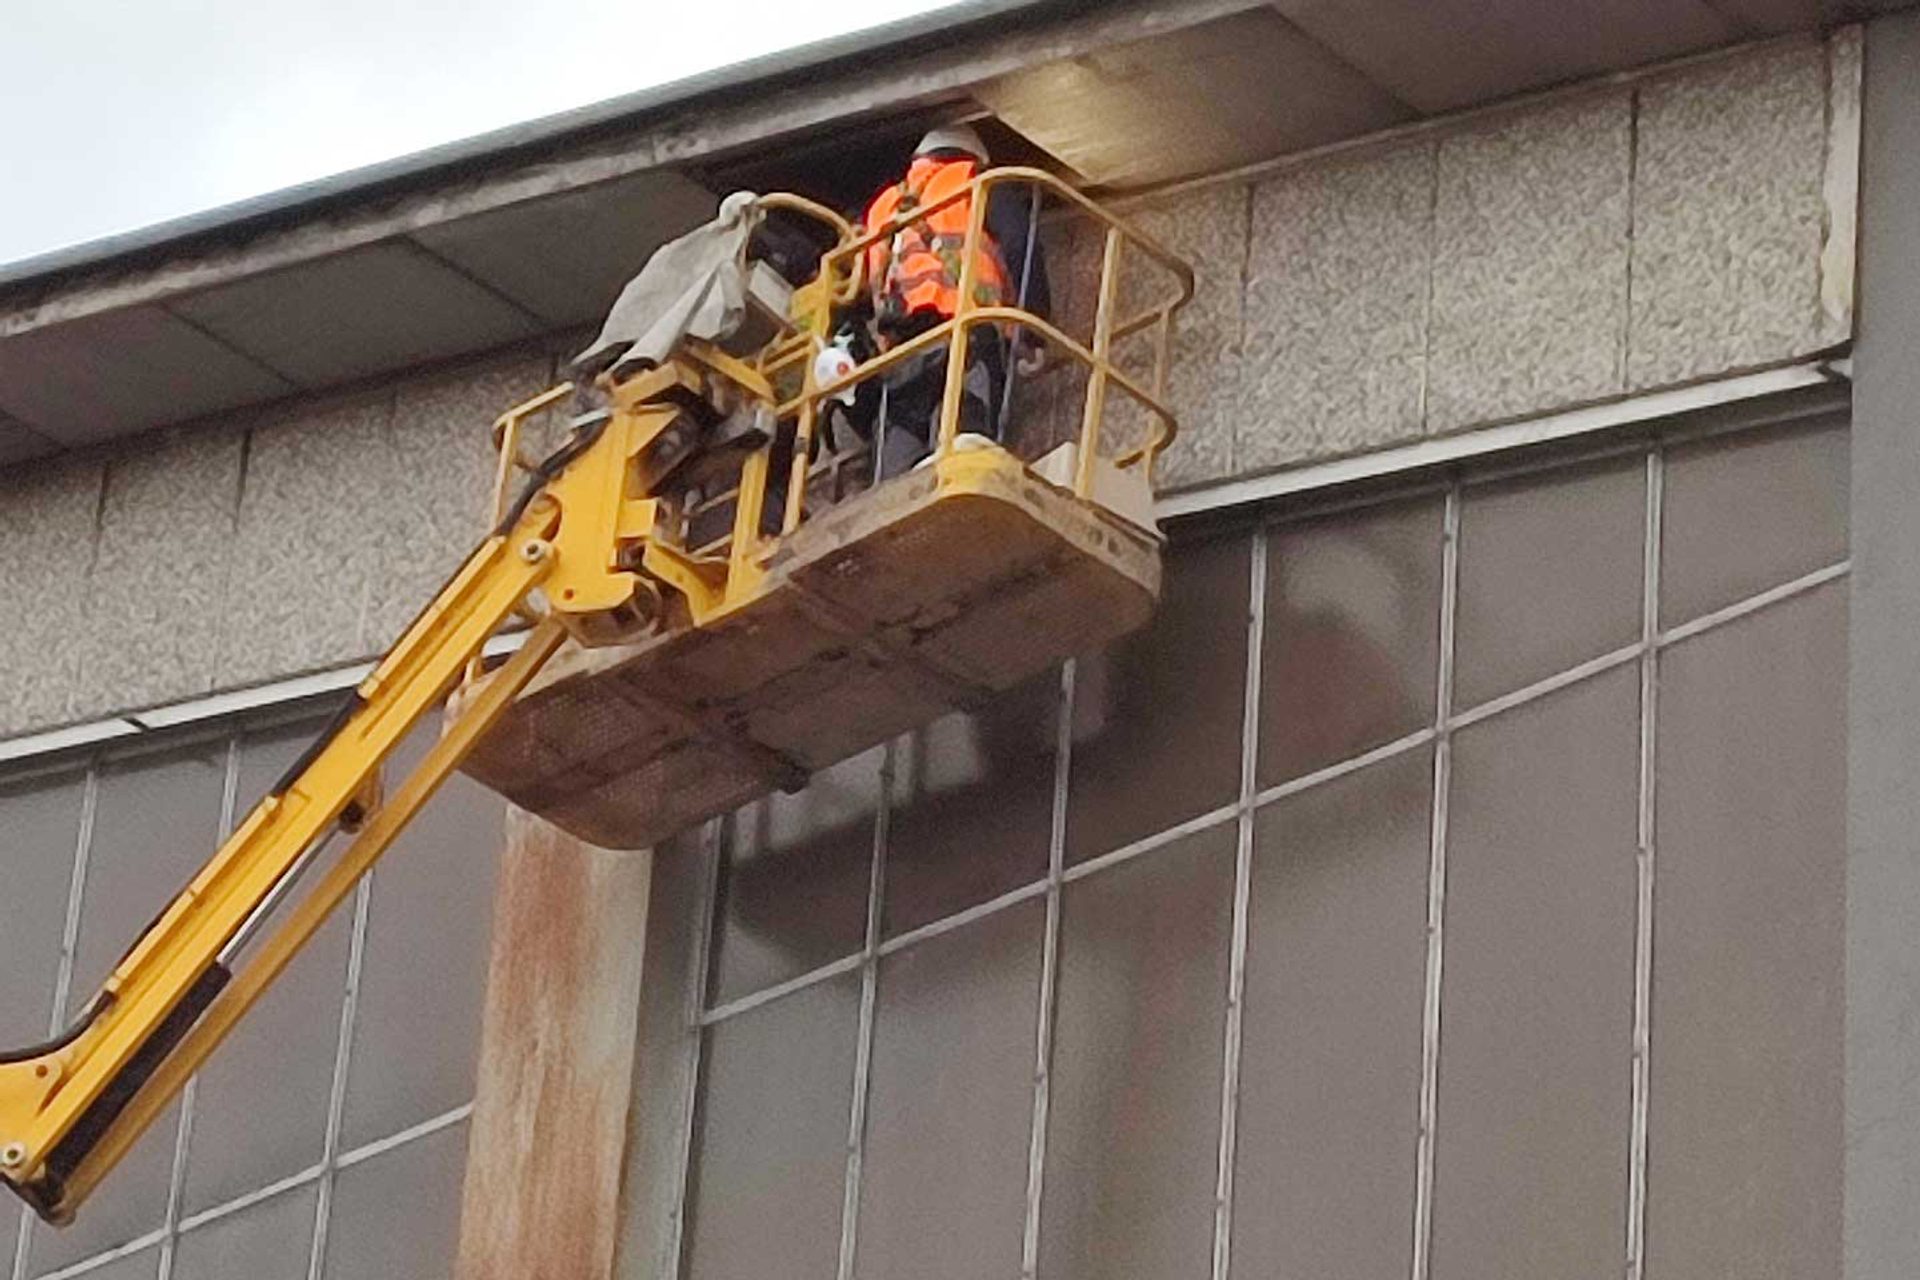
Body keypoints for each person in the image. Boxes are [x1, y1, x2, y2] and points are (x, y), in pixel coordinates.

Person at [858, 124, 1050, 477]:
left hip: (903, 344)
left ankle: (892, 488)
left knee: (899, 455)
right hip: (966, 328)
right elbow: (1021, 243)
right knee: (966, 441)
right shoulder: (978, 180)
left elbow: (862, 285)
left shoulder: (882, 207)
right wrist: (1033, 329)